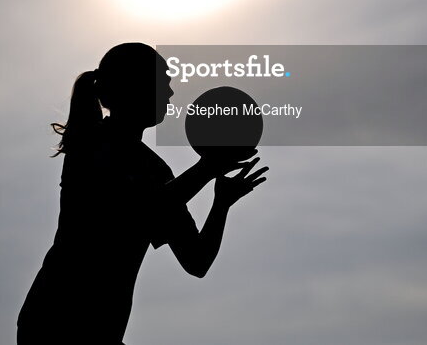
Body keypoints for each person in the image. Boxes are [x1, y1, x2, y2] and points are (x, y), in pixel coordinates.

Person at [18, 43, 268, 344]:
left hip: (102, 332)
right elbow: (135, 213)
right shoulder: (92, 144)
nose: (171, 94)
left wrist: (221, 203)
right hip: (55, 323)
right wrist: (207, 168)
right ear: (135, 86)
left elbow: (196, 261)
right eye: (164, 82)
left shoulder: (156, 170)